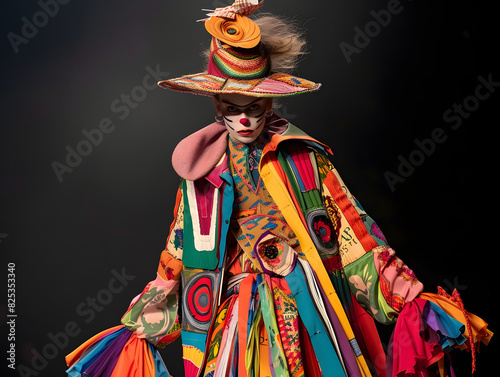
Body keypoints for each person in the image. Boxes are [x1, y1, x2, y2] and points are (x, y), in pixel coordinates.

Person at [65, 1, 492, 376]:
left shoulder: (306, 161)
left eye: (254, 108)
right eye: (233, 109)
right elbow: (179, 255)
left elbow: (354, 233)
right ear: (217, 105)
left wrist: (408, 298)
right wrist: (142, 324)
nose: (245, 120)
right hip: (236, 313)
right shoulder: (201, 177)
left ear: (269, 102)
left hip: (308, 306)